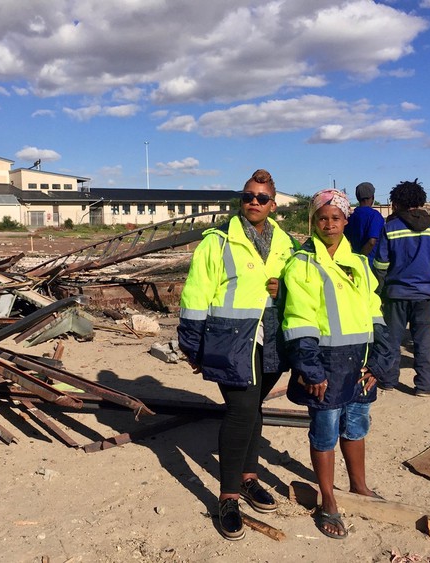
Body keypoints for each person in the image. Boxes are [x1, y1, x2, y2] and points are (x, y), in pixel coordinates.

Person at [177, 169, 298, 541]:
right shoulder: (217, 242)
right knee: (241, 410)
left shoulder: (285, 243)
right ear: (241, 200)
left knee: (254, 408)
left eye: (262, 198)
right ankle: (227, 496)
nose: (254, 203)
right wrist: (192, 344)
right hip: (229, 341)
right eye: (248, 197)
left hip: (272, 338)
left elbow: (298, 284)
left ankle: (249, 478)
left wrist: (283, 286)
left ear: (273, 204)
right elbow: (196, 294)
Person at [282, 189, 392, 540]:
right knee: (326, 430)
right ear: (313, 222)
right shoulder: (302, 264)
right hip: (326, 363)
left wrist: (379, 359)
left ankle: (358, 485)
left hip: (359, 362)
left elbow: (374, 310)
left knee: (357, 424)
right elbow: (299, 319)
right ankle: (328, 498)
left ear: (347, 221)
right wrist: (311, 368)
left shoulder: (360, 263)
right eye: (322, 218)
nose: (329, 224)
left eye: (336, 218)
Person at [373, 180, 430, 396]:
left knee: (392, 340)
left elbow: (380, 266)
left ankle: (388, 380)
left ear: (396, 203)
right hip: (425, 295)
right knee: (422, 341)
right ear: (421, 201)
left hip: (395, 295)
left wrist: (377, 293)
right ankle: (425, 385)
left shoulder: (390, 228)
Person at [345, 182, 385, 264]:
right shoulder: (375, 216)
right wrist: (361, 259)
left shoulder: (351, 216)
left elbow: (345, 238)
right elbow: (371, 241)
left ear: (357, 198)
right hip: (370, 263)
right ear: (372, 197)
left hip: (354, 259)